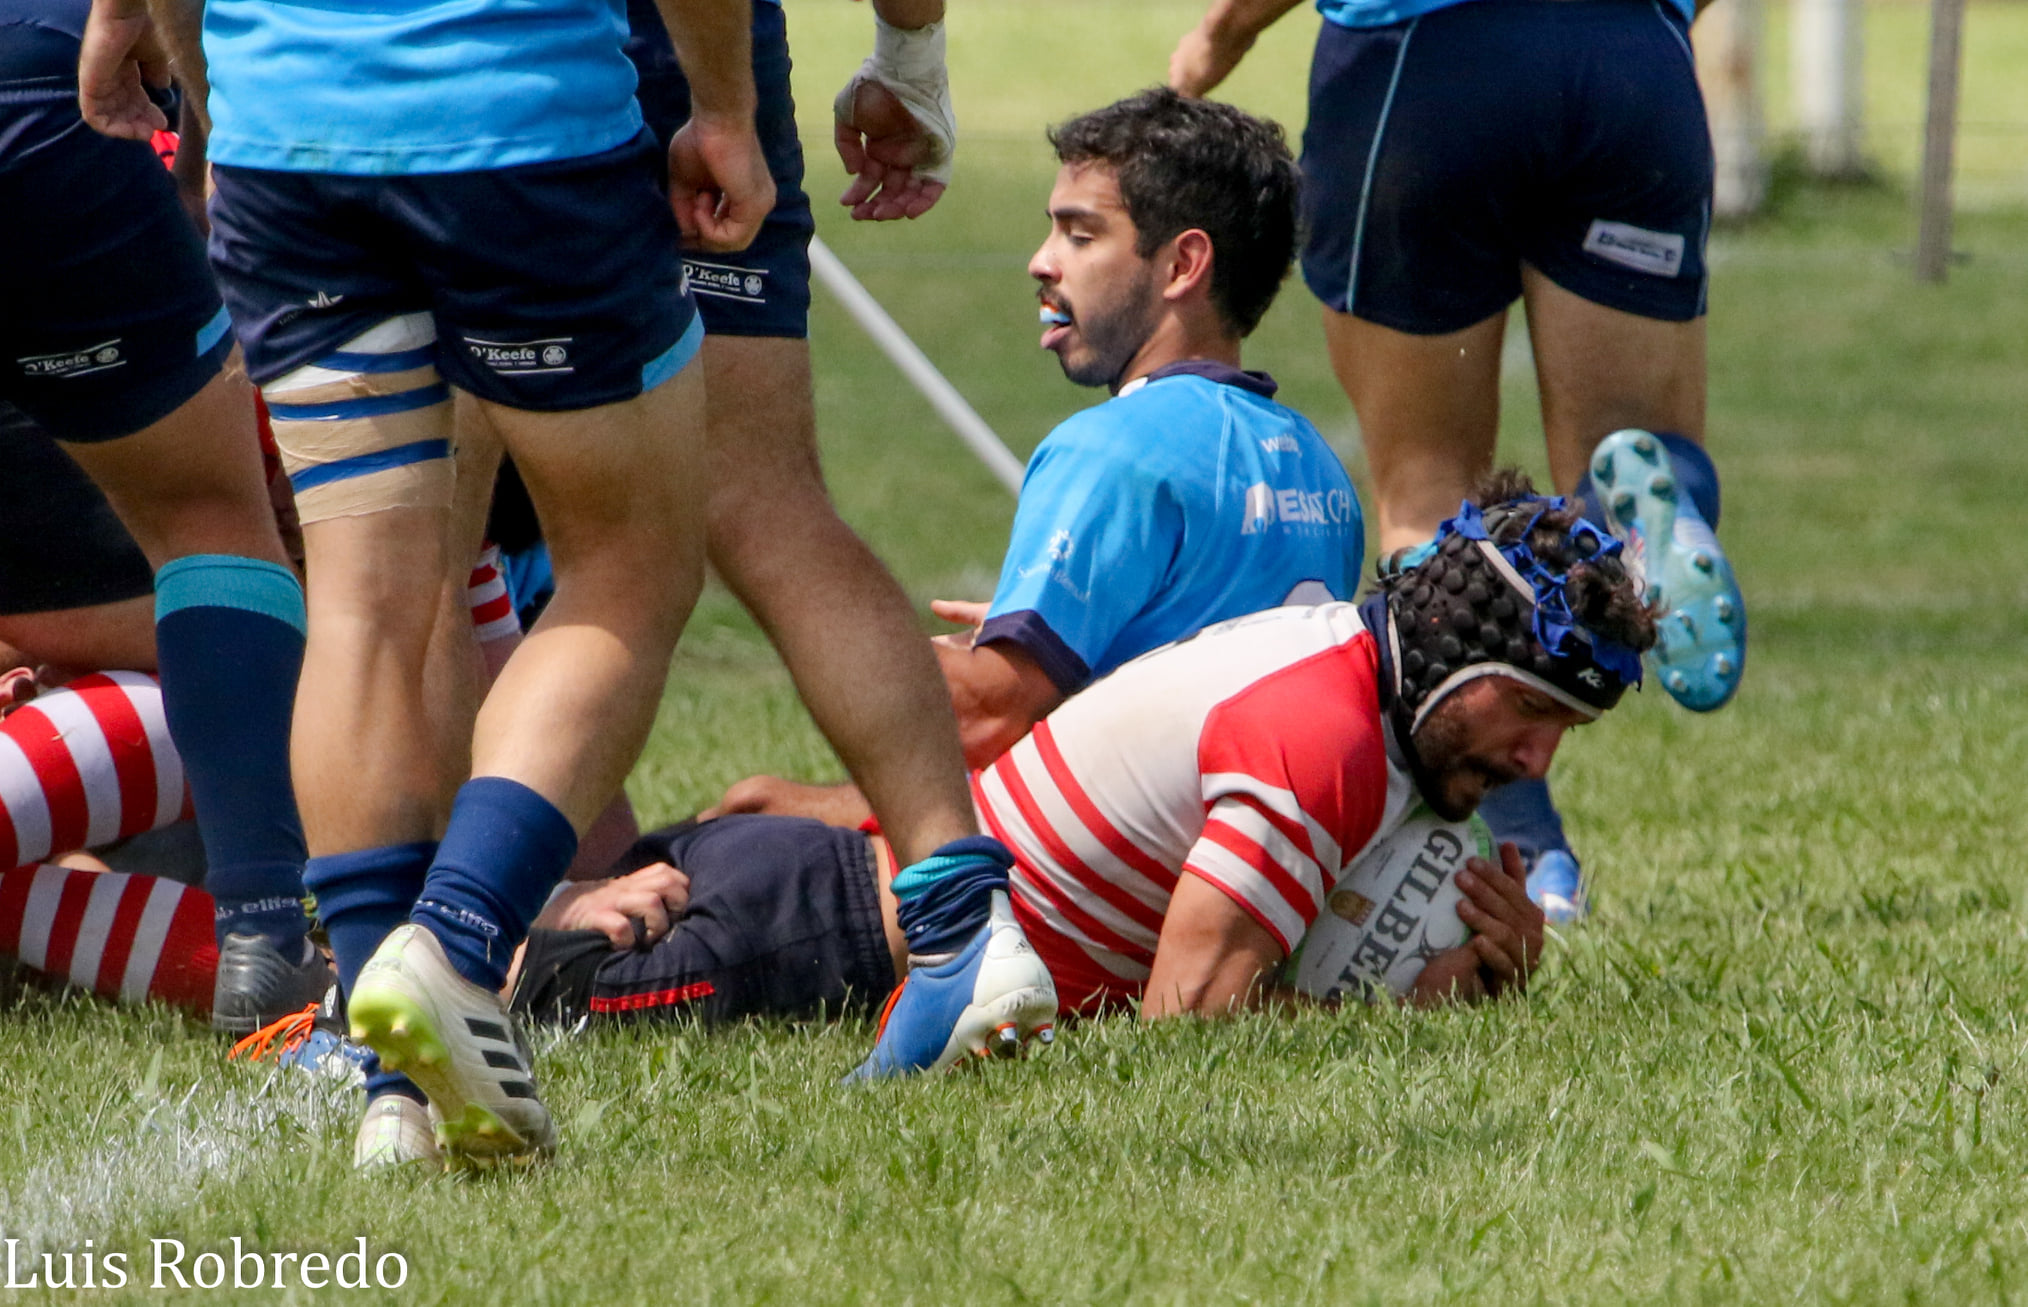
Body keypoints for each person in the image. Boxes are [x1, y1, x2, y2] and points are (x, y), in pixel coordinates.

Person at [77, 0, 779, 1171]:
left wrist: (203, 88)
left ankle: (394, 1091)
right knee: (630, 563)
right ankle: (454, 938)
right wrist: (724, 112)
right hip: (518, 120)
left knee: (362, 598)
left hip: (287, 139)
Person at [517, 473, 1651, 1031]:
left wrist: (1490, 959)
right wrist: (1413, 1010)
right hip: (814, 938)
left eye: (1566, 729)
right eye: (1529, 711)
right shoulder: (1327, 740)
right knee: (505, 995)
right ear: (1451, 650)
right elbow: (1186, 1023)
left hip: (816, 879)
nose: (1537, 758)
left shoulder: (1346, 665)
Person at [1167, 0, 1746, 919]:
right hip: (1633, 61)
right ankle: (1638, 512)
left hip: (1425, 63)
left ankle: (1524, 847)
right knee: (1626, 447)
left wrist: (1213, 43)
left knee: (1427, 491)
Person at [1, 0, 325, 1034]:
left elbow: (432, 596)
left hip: (189, 718)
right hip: (45, 74)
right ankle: (266, 942)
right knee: (209, 527)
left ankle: (278, 941)